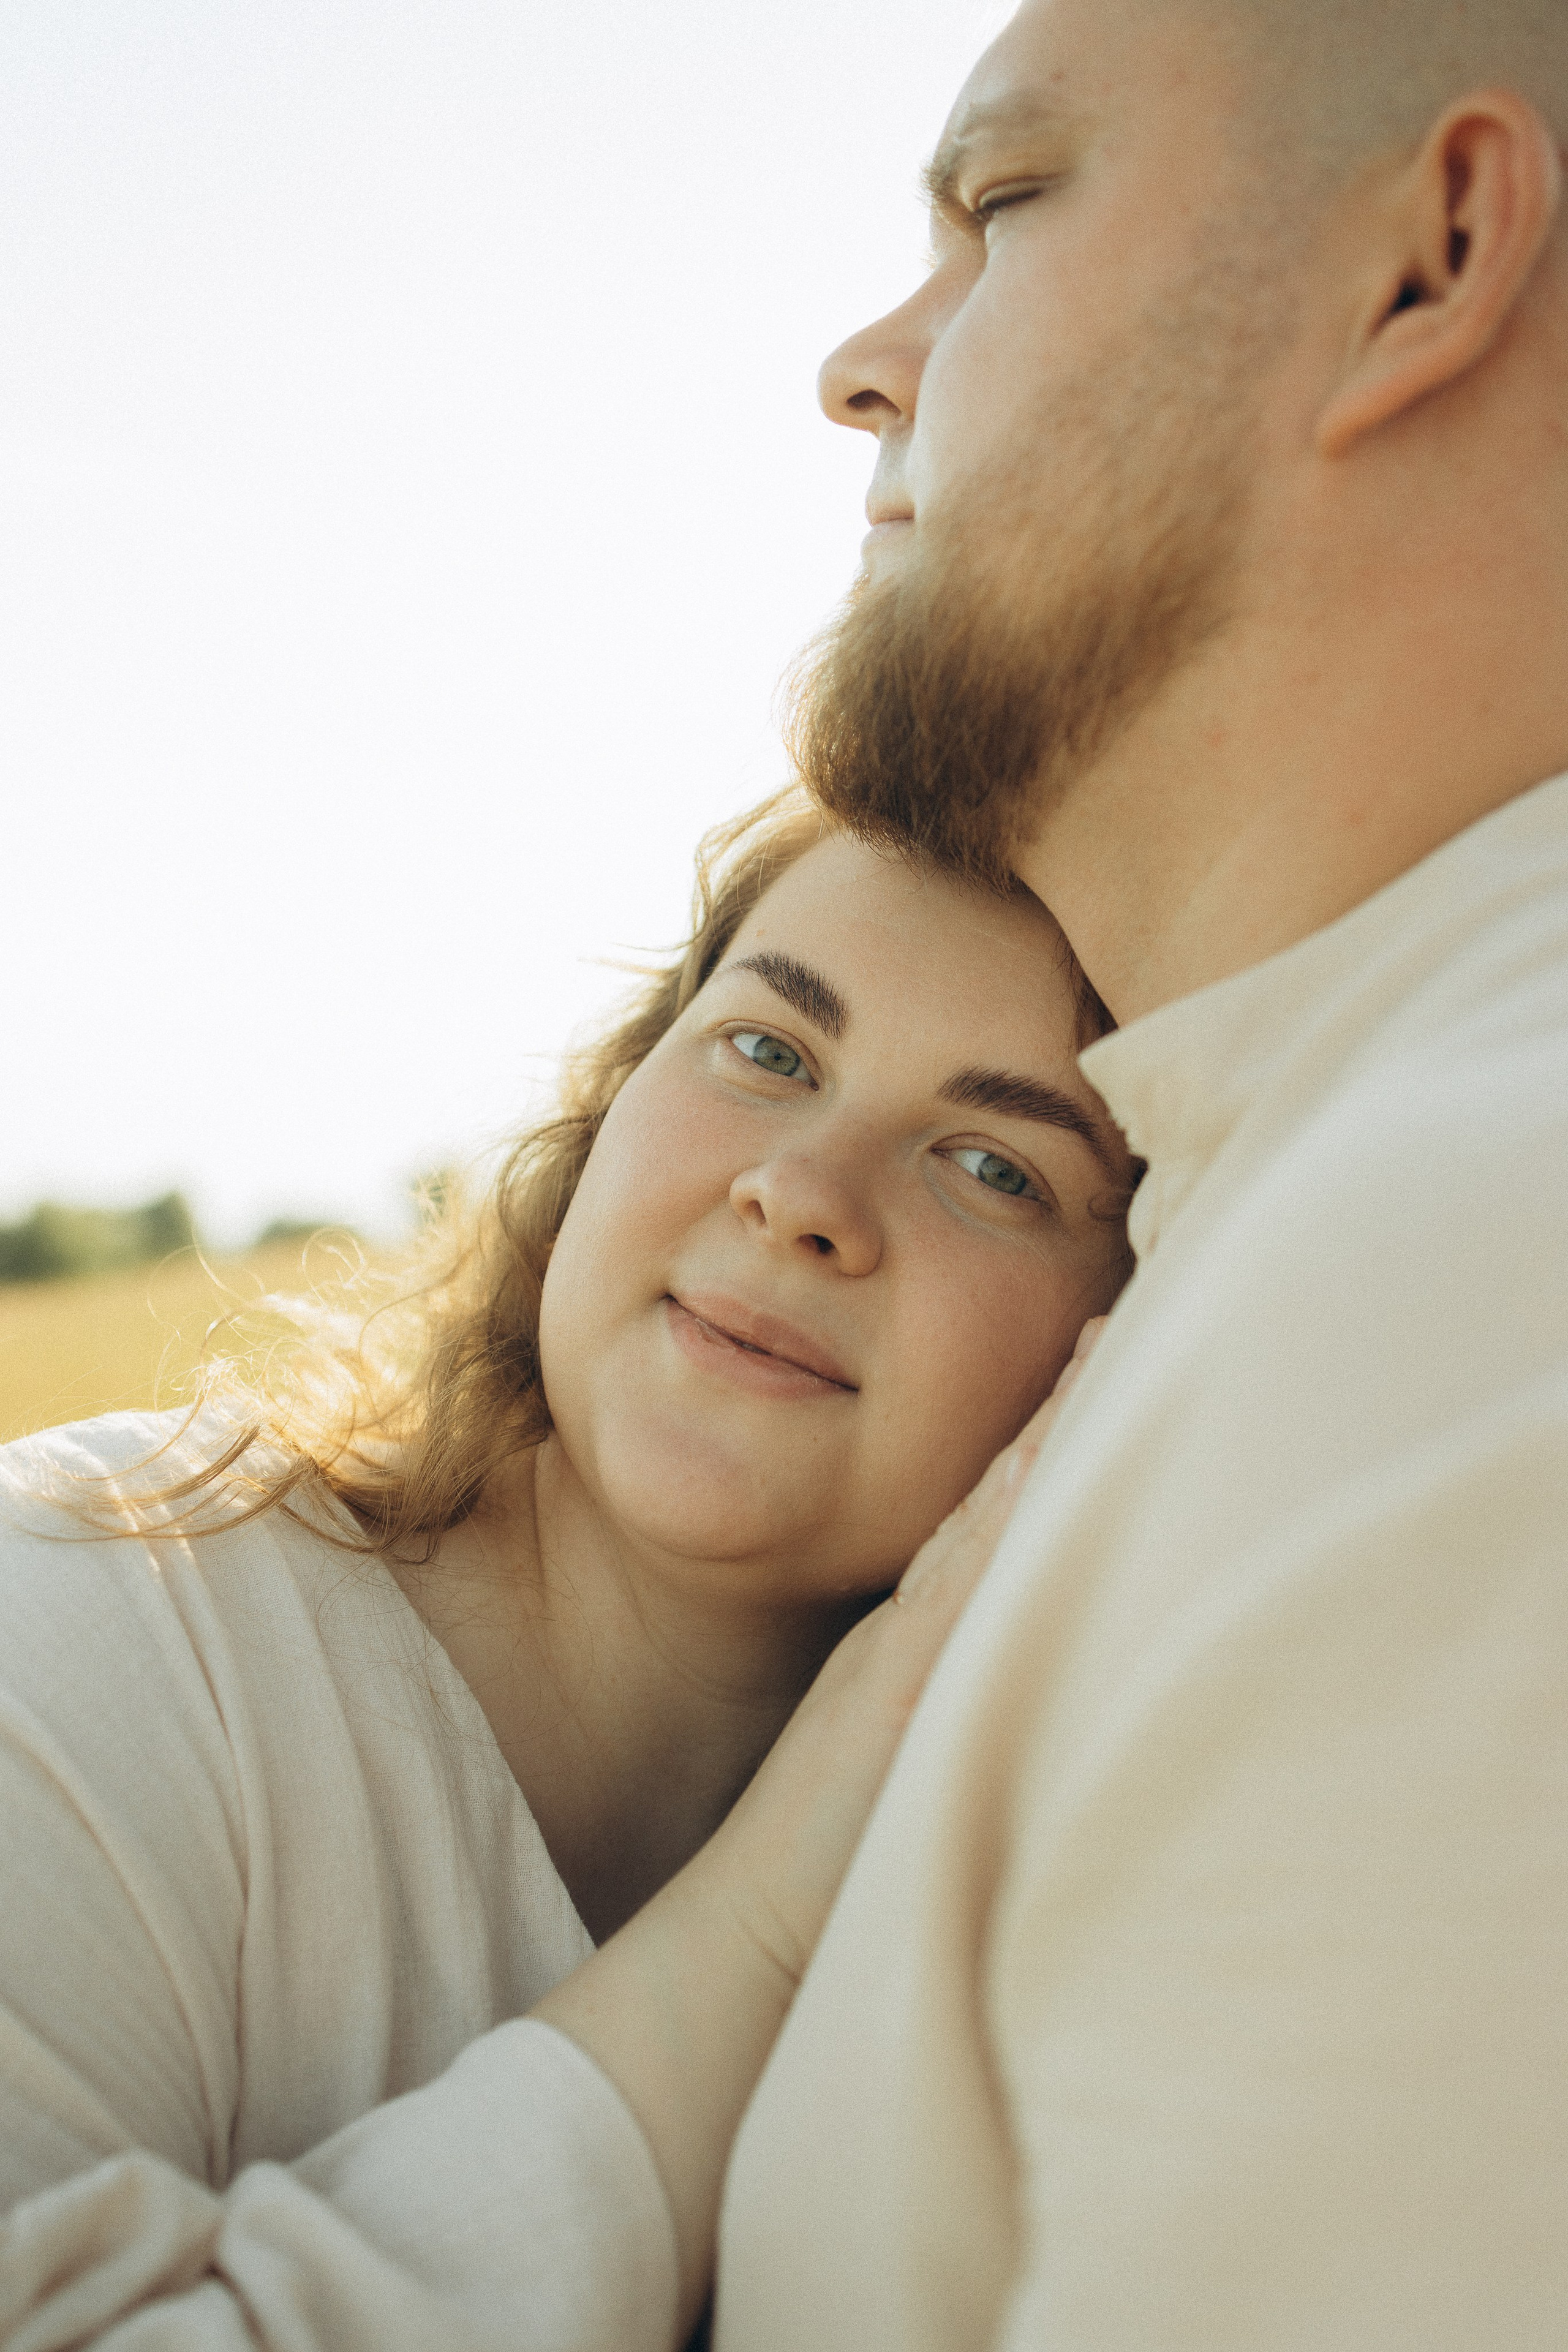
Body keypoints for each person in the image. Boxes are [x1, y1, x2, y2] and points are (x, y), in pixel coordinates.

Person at [712, 2, 1568, 2346]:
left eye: (999, 211)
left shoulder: (1482, 1287)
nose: (864, 369)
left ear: (1434, 257)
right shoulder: (1302, 1189)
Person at [0, 790, 1134, 2348]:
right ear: (613, 1104)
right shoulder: (93, 1603)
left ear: (1125, 1341)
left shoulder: (1072, 1895)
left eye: (994, 1165)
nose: (799, 1195)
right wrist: (758, 1918)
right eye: (769, 1051)